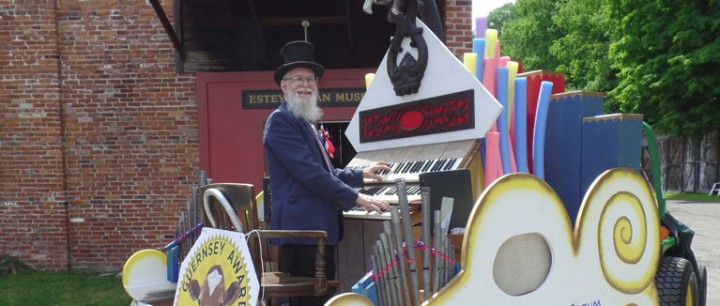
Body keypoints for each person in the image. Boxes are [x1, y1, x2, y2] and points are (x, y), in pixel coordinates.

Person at [263, 40, 391, 289]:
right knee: (309, 298)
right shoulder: (280, 121)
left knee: (320, 296)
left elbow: (326, 172)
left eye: (311, 80)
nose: (306, 85)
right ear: (283, 85)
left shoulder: (305, 121)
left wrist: (361, 174)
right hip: (302, 231)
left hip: (316, 228)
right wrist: (358, 198)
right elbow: (310, 173)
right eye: (298, 78)